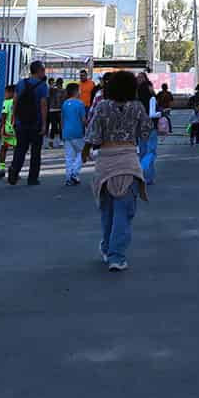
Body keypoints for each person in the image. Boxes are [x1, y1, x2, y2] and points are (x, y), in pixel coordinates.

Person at [82, 68, 153, 272]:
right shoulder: (137, 107)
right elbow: (146, 131)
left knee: (107, 210)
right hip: (128, 160)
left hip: (105, 162)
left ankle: (107, 247)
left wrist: (85, 151)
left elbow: (93, 134)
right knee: (124, 211)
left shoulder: (103, 106)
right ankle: (117, 256)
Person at [7, 60, 49, 186]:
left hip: (21, 122)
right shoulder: (42, 86)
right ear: (39, 71)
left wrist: (13, 118)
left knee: (20, 149)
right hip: (36, 123)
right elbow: (43, 105)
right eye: (43, 70)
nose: (44, 72)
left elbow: (15, 101)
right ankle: (32, 178)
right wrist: (44, 124)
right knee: (36, 152)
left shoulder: (21, 83)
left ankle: (14, 171)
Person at [61, 81, 87, 185]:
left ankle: (69, 177)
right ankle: (74, 172)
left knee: (69, 156)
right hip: (77, 132)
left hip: (66, 132)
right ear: (76, 92)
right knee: (83, 152)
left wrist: (62, 130)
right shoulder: (80, 103)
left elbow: (62, 119)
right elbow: (83, 120)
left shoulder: (65, 103)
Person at [0, 82, 16, 180]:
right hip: (16, 130)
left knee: (3, 148)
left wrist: (1, 128)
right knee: (16, 150)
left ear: (11, 93)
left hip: (7, 129)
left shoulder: (6, 102)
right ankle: (15, 169)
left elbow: (3, 116)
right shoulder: (18, 102)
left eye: (6, 93)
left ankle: (2, 169)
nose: (5, 95)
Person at [47, 78, 64, 148]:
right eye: (58, 83)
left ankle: (61, 141)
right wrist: (53, 85)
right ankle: (51, 141)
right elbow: (49, 90)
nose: (59, 85)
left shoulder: (63, 91)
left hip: (60, 110)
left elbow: (64, 99)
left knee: (61, 126)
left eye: (60, 84)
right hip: (52, 110)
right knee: (54, 126)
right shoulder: (53, 90)